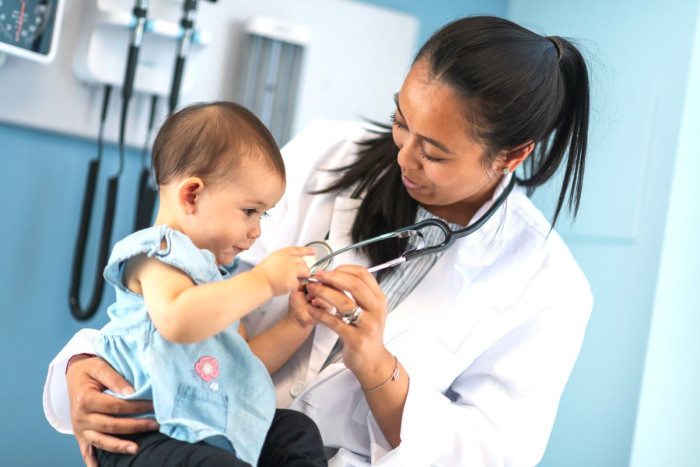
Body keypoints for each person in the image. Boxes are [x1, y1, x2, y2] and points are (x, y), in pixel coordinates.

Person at [44, 15, 594, 466]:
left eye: (434, 153)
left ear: (513, 154)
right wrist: (83, 367)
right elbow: (180, 295)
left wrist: (375, 363)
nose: (403, 157)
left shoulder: (548, 288)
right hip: (198, 427)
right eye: (400, 122)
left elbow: (489, 454)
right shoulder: (325, 153)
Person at [66, 101, 327, 467]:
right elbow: (177, 320)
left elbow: (243, 364)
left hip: (202, 427)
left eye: (263, 214)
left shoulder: (216, 279)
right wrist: (264, 281)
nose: (257, 231)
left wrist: (296, 323)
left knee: (296, 432)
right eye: (250, 211)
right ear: (192, 195)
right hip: (146, 432)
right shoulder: (156, 253)